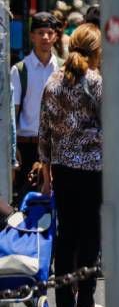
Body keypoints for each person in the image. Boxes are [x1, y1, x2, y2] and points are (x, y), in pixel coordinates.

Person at [38, 23, 104, 307]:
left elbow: (44, 135)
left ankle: (65, 306)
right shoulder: (96, 82)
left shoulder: (52, 82)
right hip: (92, 169)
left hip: (63, 169)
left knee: (66, 237)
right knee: (90, 236)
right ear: (95, 51)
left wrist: (48, 176)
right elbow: (110, 126)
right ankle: (86, 304)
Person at [10, 12, 62, 199]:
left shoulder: (63, 69)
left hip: (57, 148)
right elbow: (12, 113)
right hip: (27, 147)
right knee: (26, 202)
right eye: (40, 32)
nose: (45, 37)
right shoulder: (20, 70)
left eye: (49, 32)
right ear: (32, 36)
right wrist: (13, 148)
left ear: (55, 36)